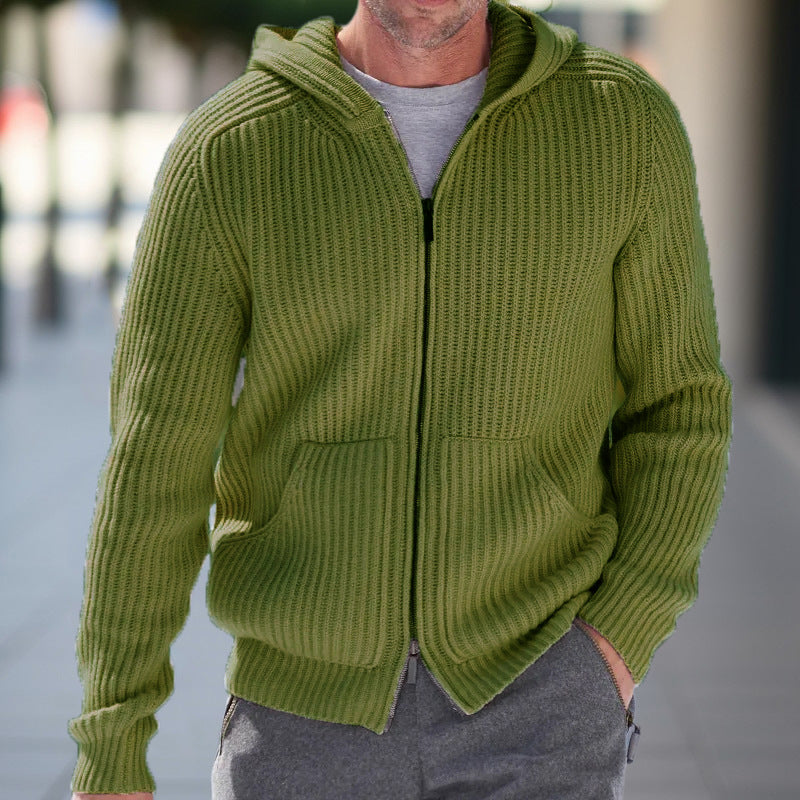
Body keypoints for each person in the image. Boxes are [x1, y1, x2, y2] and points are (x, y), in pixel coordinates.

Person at [67, 0, 733, 797]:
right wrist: (112, 742)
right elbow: (155, 460)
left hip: (543, 700)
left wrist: (618, 639)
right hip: (300, 719)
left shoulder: (620, 123)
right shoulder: (231, 151)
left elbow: (680, 404)